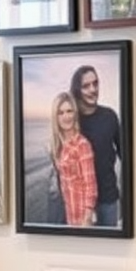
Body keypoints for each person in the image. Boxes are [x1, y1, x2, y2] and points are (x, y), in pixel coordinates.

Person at [70, 64, 121, 227]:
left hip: (108, 198)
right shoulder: (71, 121)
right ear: (77, 89)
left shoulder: (110, 116)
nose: (93, 89)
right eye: (86, 86)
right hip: (80, 201)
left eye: (95, 83)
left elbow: (124, 155)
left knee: (111, 248)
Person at [50, 91, 96, 227]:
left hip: (82, 218)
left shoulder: (82, 144)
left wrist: (87, 219)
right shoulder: (58, 146)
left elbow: (91, 185)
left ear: (75, 114)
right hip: (69, 215)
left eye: (69, 111)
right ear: (56, 117)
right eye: (61, 112)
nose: (66, 117)